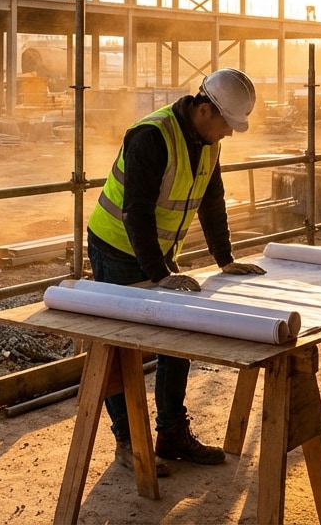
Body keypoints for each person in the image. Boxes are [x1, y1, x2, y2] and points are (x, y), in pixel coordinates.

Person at [86, 67, 266, 477]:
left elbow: (212, 199)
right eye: (227, 124)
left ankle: (170, 433)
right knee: (120, 347)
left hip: (156, 252)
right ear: (204, 109)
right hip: (117, 246)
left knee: (178, 335)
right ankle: (129, 443)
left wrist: (225, 259)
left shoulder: (208, 142)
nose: (230, 133)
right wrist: (160, 273)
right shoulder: (151, 136)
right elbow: (137, 211)